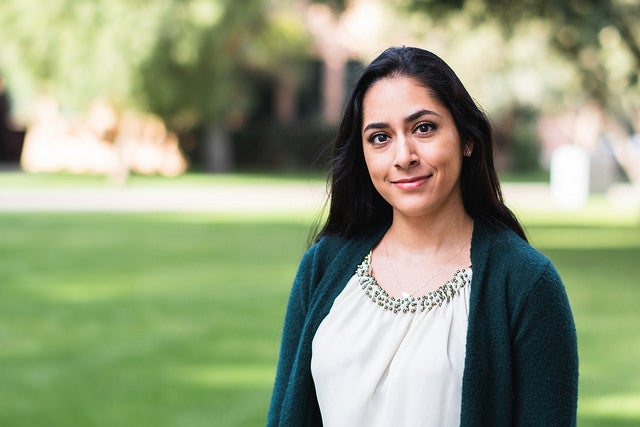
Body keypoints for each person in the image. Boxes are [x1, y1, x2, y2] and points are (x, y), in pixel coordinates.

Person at [267, 46, 578, 426]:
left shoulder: (526, 284)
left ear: (467, 139)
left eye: (424, 128)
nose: (404, 156)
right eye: (380, 137)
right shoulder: (323, 266)